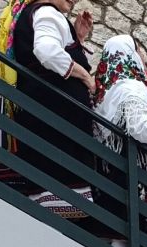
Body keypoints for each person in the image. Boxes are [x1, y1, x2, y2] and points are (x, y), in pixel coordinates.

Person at [9, 0, 96, 209]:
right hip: (56, 123)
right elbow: (47, 52)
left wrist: (77, 37)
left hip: (46, 117)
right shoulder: (48, 12)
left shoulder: (36, 13)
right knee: (61, 200)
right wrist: (85, 77)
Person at [90, 35, 147, 247]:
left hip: (107, 172)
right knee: (127, 233)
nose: (141, 56)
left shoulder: (106, 92)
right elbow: (138, 127)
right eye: (138, 50)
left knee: (113, 230)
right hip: (129, 173)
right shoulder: (132, 87)